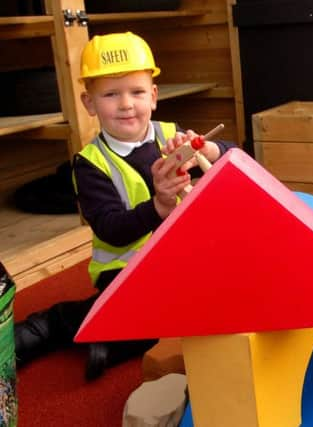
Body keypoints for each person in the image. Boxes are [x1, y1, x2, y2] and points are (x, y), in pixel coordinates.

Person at [14, 32, 235, 380]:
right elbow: (111, 230)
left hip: (176, 260)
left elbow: (236, 158)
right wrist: (159, 206)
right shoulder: (90, 164)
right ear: (89, 104)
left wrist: (208, 151)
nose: (126, 104)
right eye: (110, 94)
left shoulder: (170, 134)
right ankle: (49, 325)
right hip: (125, 272)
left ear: (154, 96)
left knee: (224, 287)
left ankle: (115, 341)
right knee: (160, 311)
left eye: (136, 92)